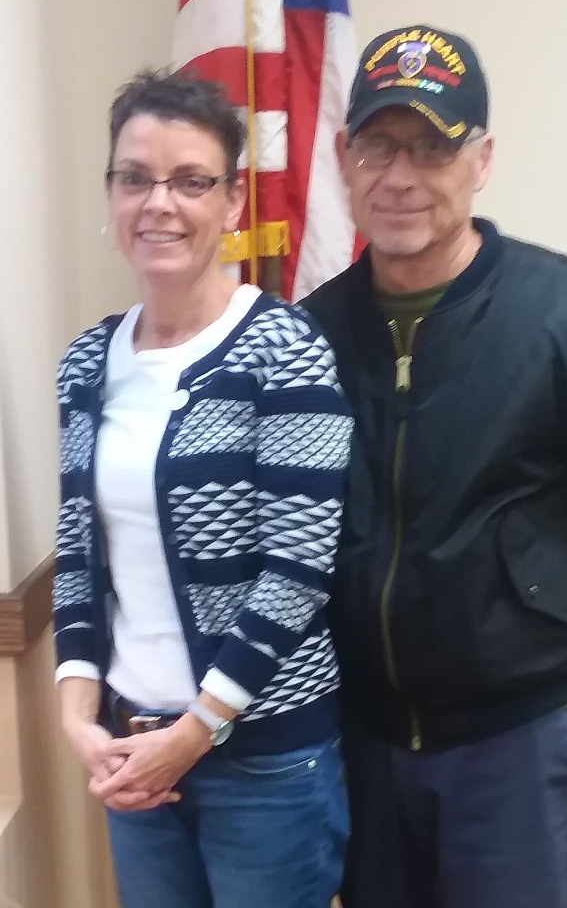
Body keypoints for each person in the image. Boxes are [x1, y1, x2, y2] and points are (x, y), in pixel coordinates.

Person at [302, 23, 567, 908]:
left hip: (520, 744)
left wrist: (558, 663)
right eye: (378, 146)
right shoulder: (307, 338)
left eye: (432, 147)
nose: (400, 176)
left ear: (481, 159)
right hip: (363, 742)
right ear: (342, 158)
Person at [53, 69, 353, 908]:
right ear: (111, 194)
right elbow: (77, 555)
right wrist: (78, 719)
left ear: (231, 202)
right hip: (132, 750)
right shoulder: (86, 362)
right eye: (135, 178)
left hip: (264, 762)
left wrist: (193, 732)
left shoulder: (284, 349)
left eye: (190, 181)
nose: (160, 203)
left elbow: (297, 570)